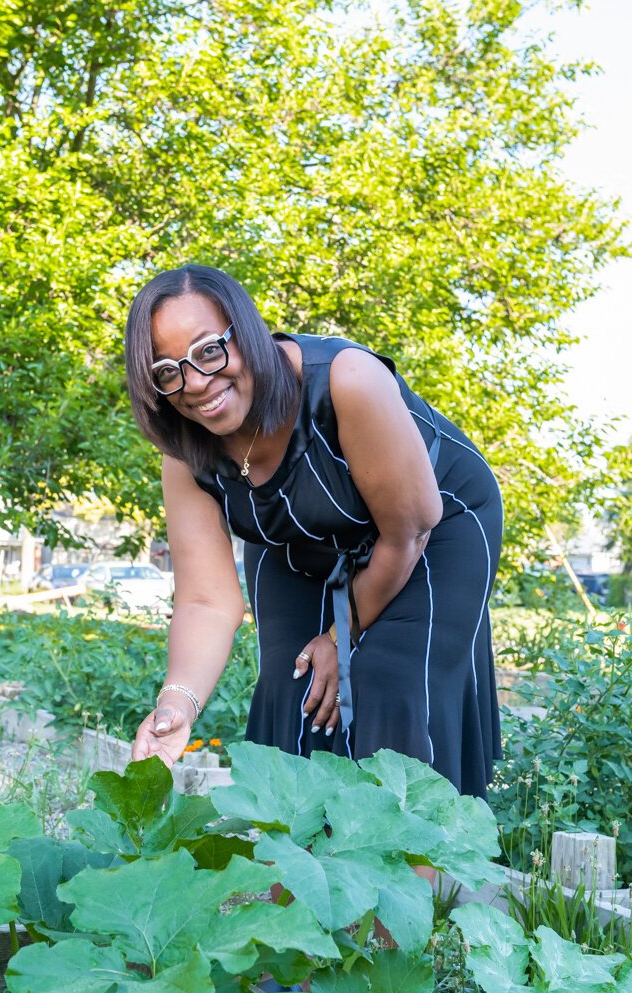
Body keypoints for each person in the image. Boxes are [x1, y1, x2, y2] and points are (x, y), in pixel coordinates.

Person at [125, 265, 504, 797]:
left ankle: (412, 878)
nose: (196, 383)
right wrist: (176, 705)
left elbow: (407, 534)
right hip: (299, 538)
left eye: (210, 350)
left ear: (247, 332)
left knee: (386, 682)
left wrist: (339, 635)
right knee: (292, 687)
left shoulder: (347, 380)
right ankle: (303, 877)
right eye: (168, 372)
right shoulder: (185, 453)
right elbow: (206, 601)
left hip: (431, 525)